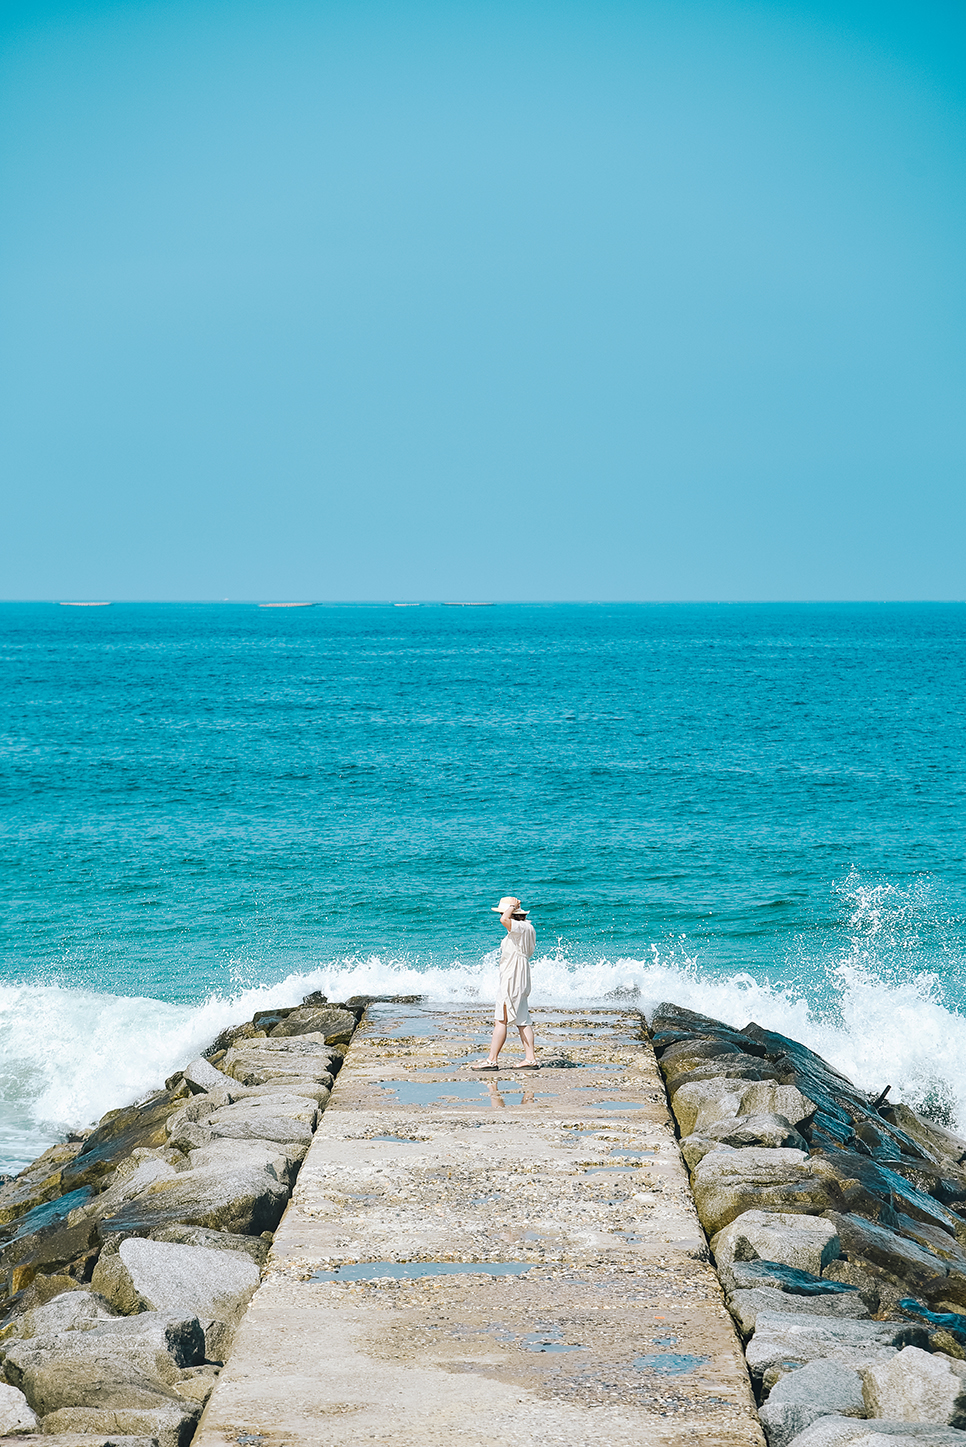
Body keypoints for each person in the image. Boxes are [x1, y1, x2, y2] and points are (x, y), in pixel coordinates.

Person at [471, 895, 538, 1071]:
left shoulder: (517, 927)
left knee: (501, 1019)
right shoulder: (529, 927)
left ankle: (492, 1060)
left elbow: (504, 919)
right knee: (523, 1018)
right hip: (522, 973)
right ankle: (530, 1058)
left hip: (513, 974)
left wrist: (511, 907)